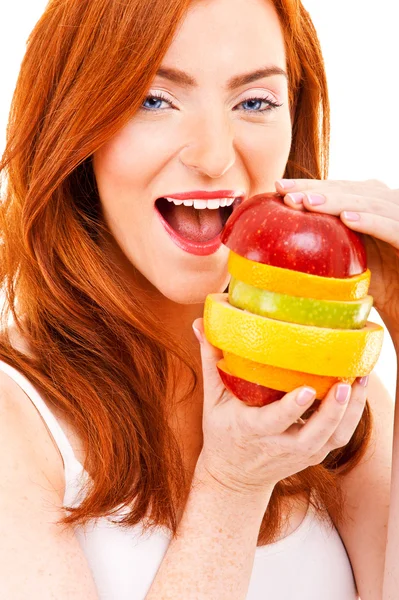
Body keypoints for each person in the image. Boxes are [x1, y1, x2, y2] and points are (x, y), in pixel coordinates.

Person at [0, 0, 398, 598]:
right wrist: (232, 487)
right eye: (153, 100)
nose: (213, 156)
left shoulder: (329, 388)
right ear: (74, 129)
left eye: (255, 102)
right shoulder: (17, 417)